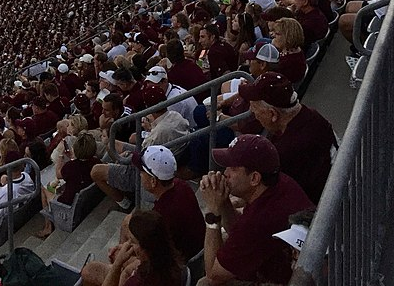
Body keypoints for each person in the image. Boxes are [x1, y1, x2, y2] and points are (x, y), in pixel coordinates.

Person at [199, 134, 314, 285]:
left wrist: (212, 212)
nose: (225, 173)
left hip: (281, 280)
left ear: (254, 178)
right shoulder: (278, 183)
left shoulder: (260, 220)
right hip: (280, 263)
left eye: (233, 168)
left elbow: (214, 276)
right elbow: (237, 230)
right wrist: (223, 199)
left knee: (204, 283)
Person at [238, 72, 336, 203]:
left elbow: (269, 199)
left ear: (273, 114)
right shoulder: (310, 115)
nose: (253, 113)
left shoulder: (287, 151)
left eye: (254, 107)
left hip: (324, 209)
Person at [83, 210, 186, 286]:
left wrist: (118, 263)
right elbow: (133, 268)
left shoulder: (141, 281)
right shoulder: (167, 255)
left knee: (88, 272)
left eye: (132, 241)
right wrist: (125, 272)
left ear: (143, 249)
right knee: (91, 269)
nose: (128, 244)